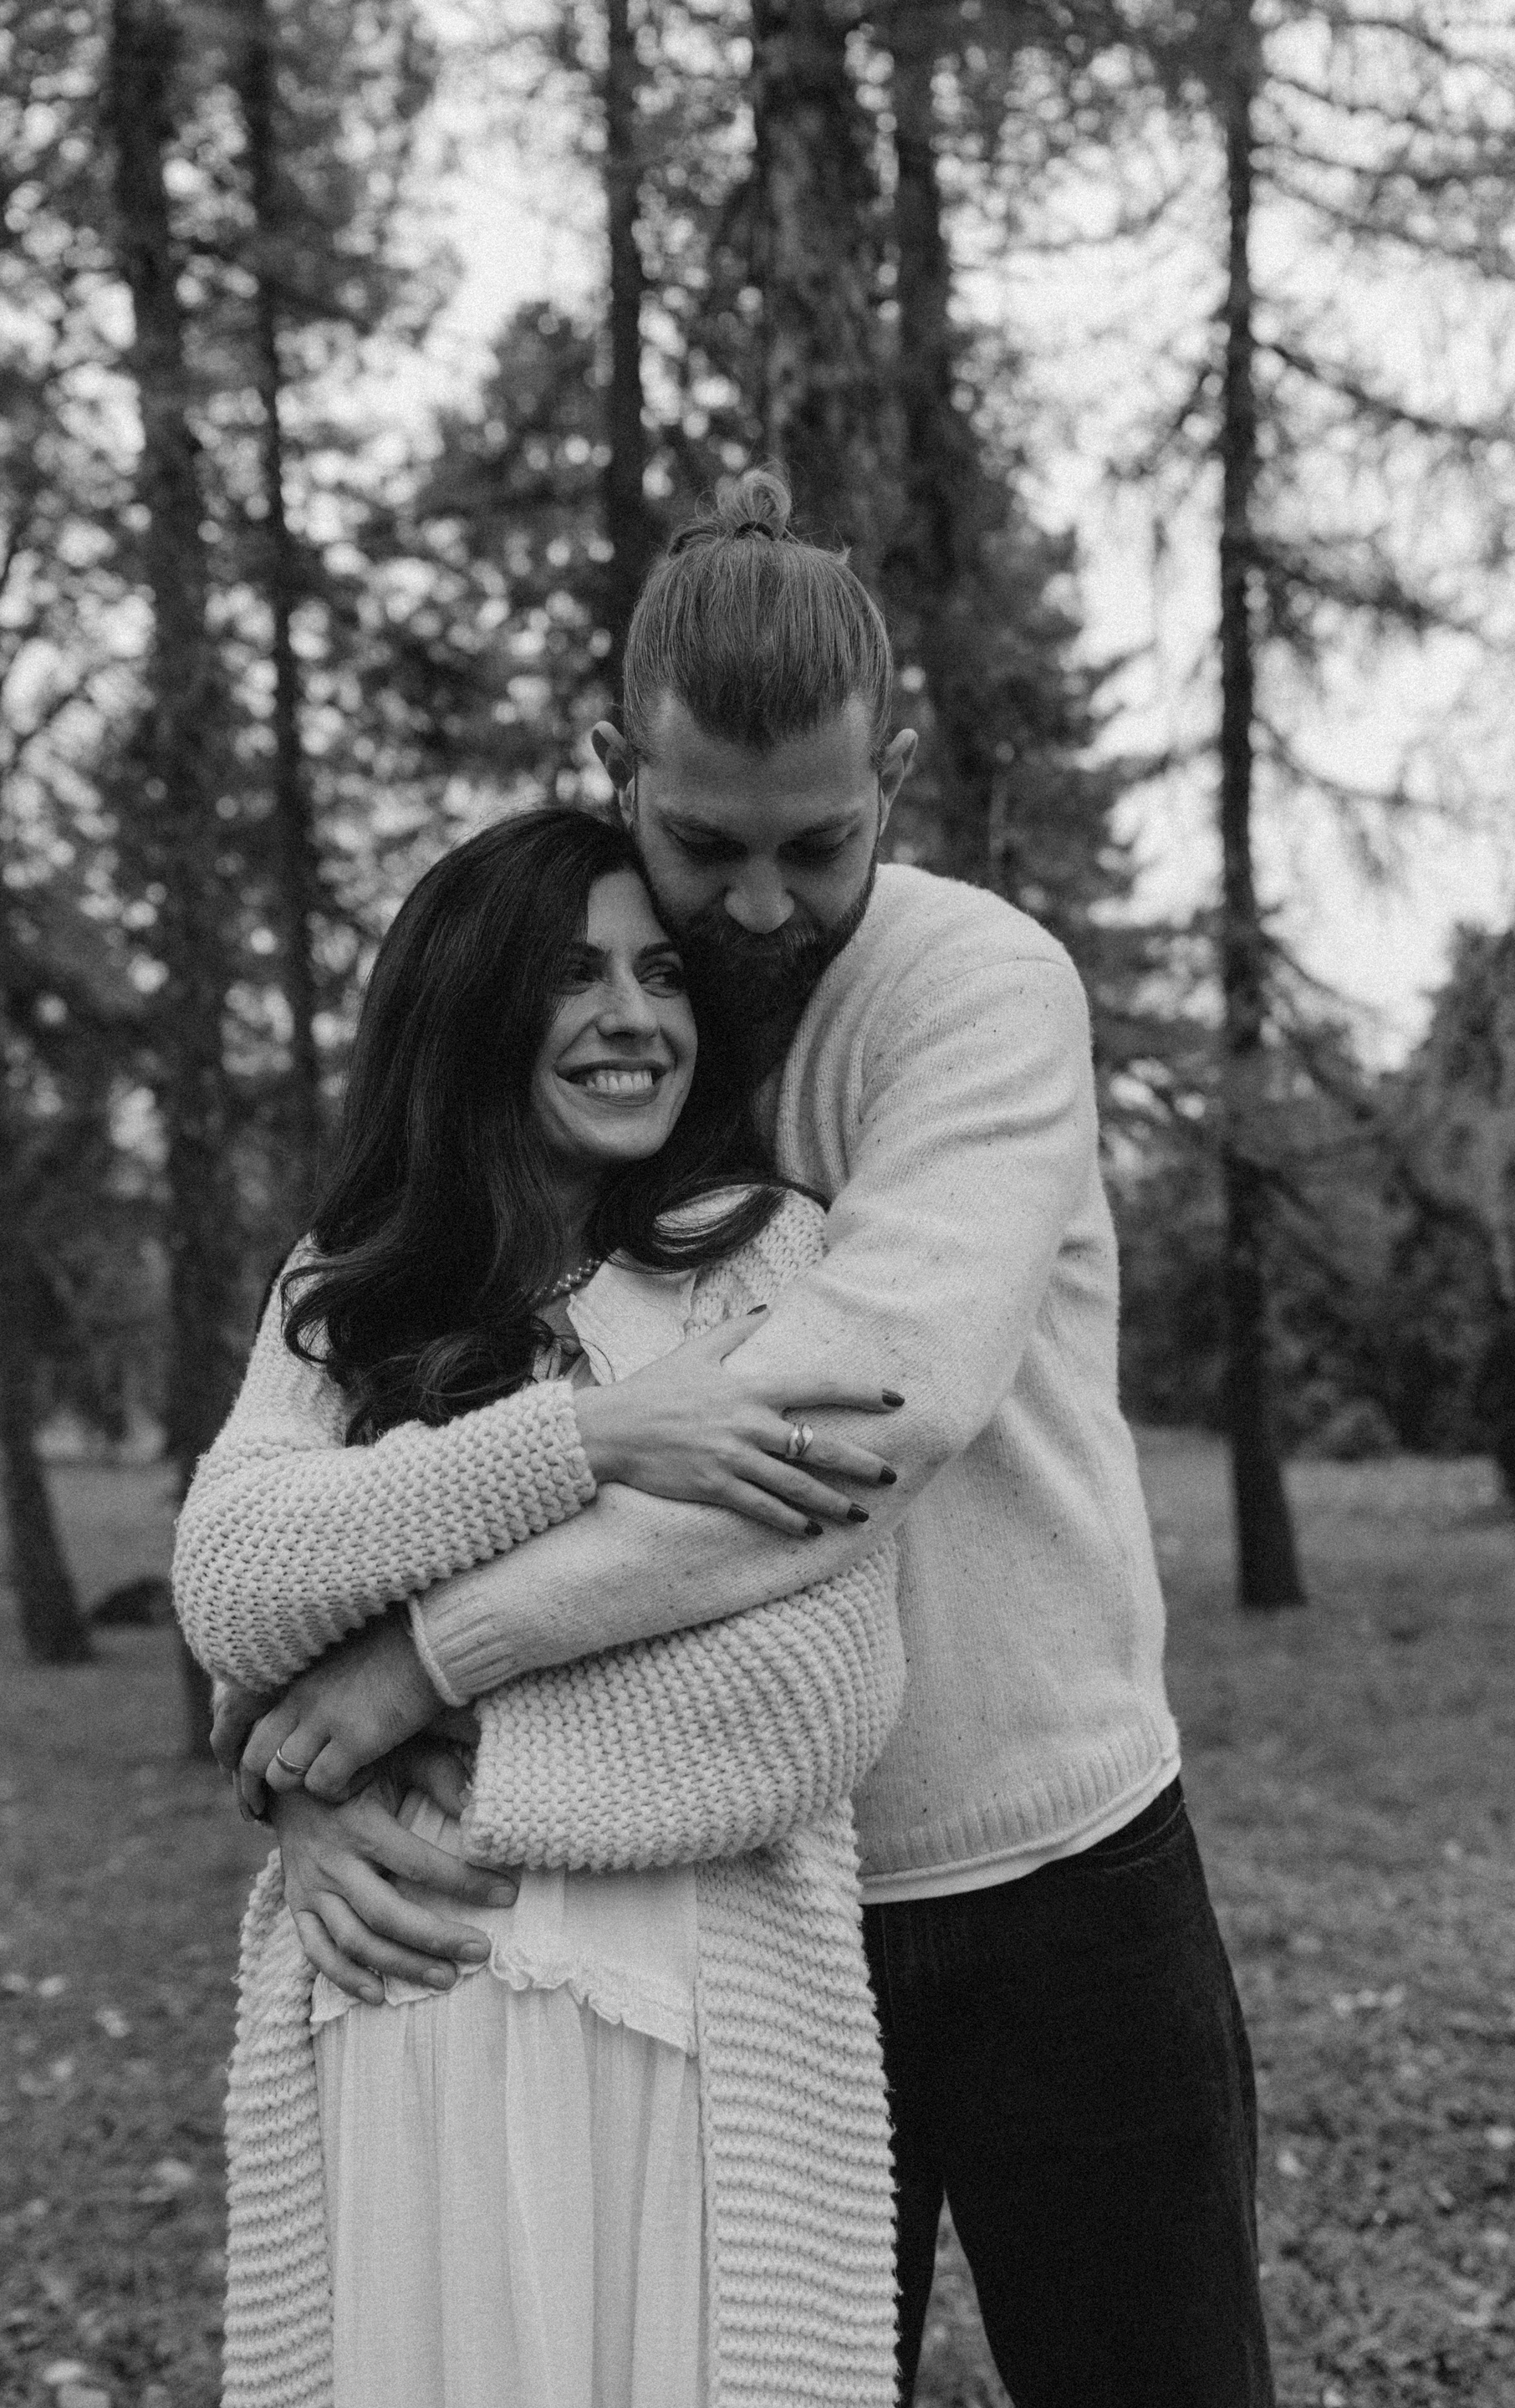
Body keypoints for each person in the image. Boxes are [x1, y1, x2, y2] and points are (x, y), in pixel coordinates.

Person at [232, 467, 1274, 2408]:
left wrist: (426, 1666)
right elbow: (377, 1417)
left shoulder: (976, 990)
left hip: (1050, 1868)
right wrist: (296, 1755)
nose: (764, 907)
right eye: (707, 844)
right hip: (726, 1899)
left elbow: (842, 1434)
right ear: (616, 762)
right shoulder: (577, 1027)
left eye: (822, 844)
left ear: (900, 771)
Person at [173, 809, 910, 2408]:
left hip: (693, 2046)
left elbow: (811, 1700)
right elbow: (234, 1579)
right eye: (574, 975)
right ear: (474, 1004)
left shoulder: (767, 1267)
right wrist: (589, 1436)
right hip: (401, 2030)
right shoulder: (351, 1284)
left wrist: (396, 1716)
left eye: (663, 974)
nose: (634, 1018)